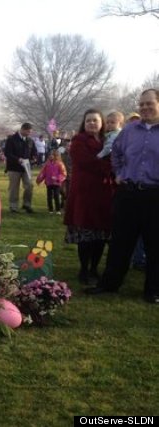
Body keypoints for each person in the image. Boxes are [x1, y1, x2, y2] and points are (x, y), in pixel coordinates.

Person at [87, 89, 159, 303]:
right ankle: (110, 284)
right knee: (120, 242)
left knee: (155, 244)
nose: (145, 107)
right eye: (142, 104)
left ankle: (153, 290)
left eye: (150, 103)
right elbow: (116, 152)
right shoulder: (129, 131)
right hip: (127, 193)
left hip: (155, 196)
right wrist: (118, 173)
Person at [64, 109, 114, 286]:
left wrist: (110, 164)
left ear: (102, 123)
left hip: (104, 195)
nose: (92, 123)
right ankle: (84, 269)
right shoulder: (78, 141)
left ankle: (94, 268)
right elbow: (87, 162)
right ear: (83, 124)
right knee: (85, 236)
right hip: (84, 195)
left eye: (95, 120)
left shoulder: (109, 140)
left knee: (100, 235)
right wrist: (109, 165)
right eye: (88, 121)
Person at [4, 123, 35, 213]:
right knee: (14, 187)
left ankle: (27, 204)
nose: (29, 133)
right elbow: (7, 153)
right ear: (23, 129)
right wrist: (18, 159)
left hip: (27, 167)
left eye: (30, 132)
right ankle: (13, 206)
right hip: (14, 168)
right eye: (28, 131)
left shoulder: (30, 140)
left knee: (29, 185)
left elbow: (34, 151)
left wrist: (34, 157)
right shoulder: (11, 139)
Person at [35, 149, 67, 214]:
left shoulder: (60, 164)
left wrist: (57, 178)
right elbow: (43, 173)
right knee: (49, 196)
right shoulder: (47, 164)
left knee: (56, 195)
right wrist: (39, 179)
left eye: (52, 155)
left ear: (56, 155)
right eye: (50, 155)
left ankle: (58, 209)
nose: (50, 156)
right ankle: (50, 209)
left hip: (57, 183)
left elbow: (63, 174)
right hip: (49, 183)